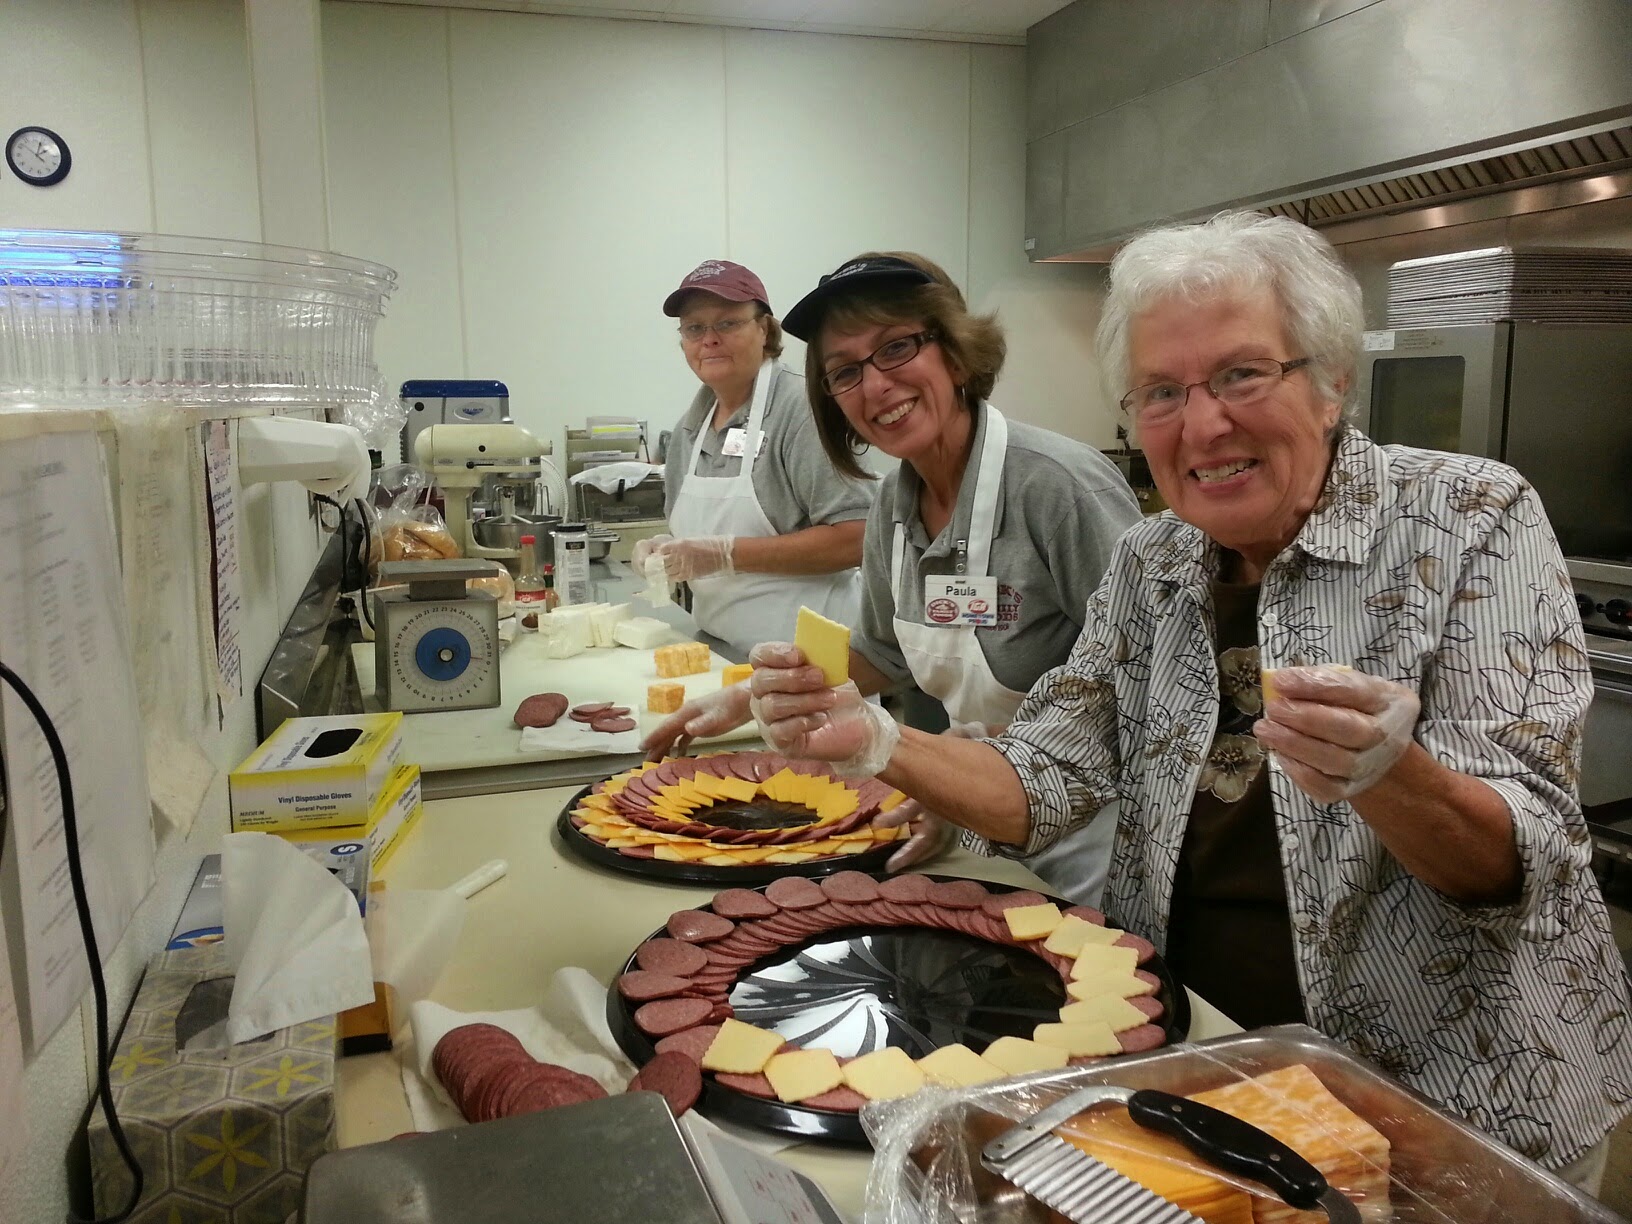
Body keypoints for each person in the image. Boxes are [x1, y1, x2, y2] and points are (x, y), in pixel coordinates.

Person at [745, 212, 1632, 1188]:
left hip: (1445, 1106)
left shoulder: (1469, 519)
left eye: (1241, 375)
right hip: (1198, 1063)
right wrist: (876, 741)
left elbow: (1525, 864)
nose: (1202, 426)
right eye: (1161, 392)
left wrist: (1390, 775)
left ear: (1332, 380)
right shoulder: (1153, 560)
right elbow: (1044, 778)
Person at [644, 252, 1142, 905]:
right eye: (845, 371)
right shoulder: (895, 508)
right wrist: (752, 695)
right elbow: (883, 654)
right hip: (984, 824)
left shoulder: (1057, 490)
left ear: (956, 353)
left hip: (1104, 842)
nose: (875, 385)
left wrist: (949, 766)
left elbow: (1152, 693)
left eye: (897, 348)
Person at [635, 260, 872, 658]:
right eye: (694, 328)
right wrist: (665, 551)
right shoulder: (689, 430)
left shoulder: (802, 410)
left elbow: (857, 537)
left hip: (810, 660)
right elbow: (701, 538)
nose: (709, 339)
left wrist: (725, 555)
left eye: (727, 323)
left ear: (764, 329)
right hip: (720, 652)